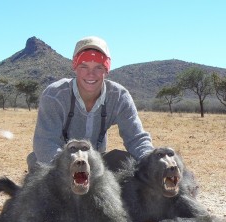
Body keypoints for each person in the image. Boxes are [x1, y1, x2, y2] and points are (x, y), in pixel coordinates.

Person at [27, 36, 154, 169]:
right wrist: (72, 169)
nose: (91, 74)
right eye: (84, 66)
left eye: (98, 67)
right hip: (61, 162)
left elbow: (136, 138)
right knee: (38, 164)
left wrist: (152, 161)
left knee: (127, 161)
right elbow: (45, 142)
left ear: (106, 69)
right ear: (75, 67)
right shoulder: (55, 95)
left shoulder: (119, 96)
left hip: (97, 162)